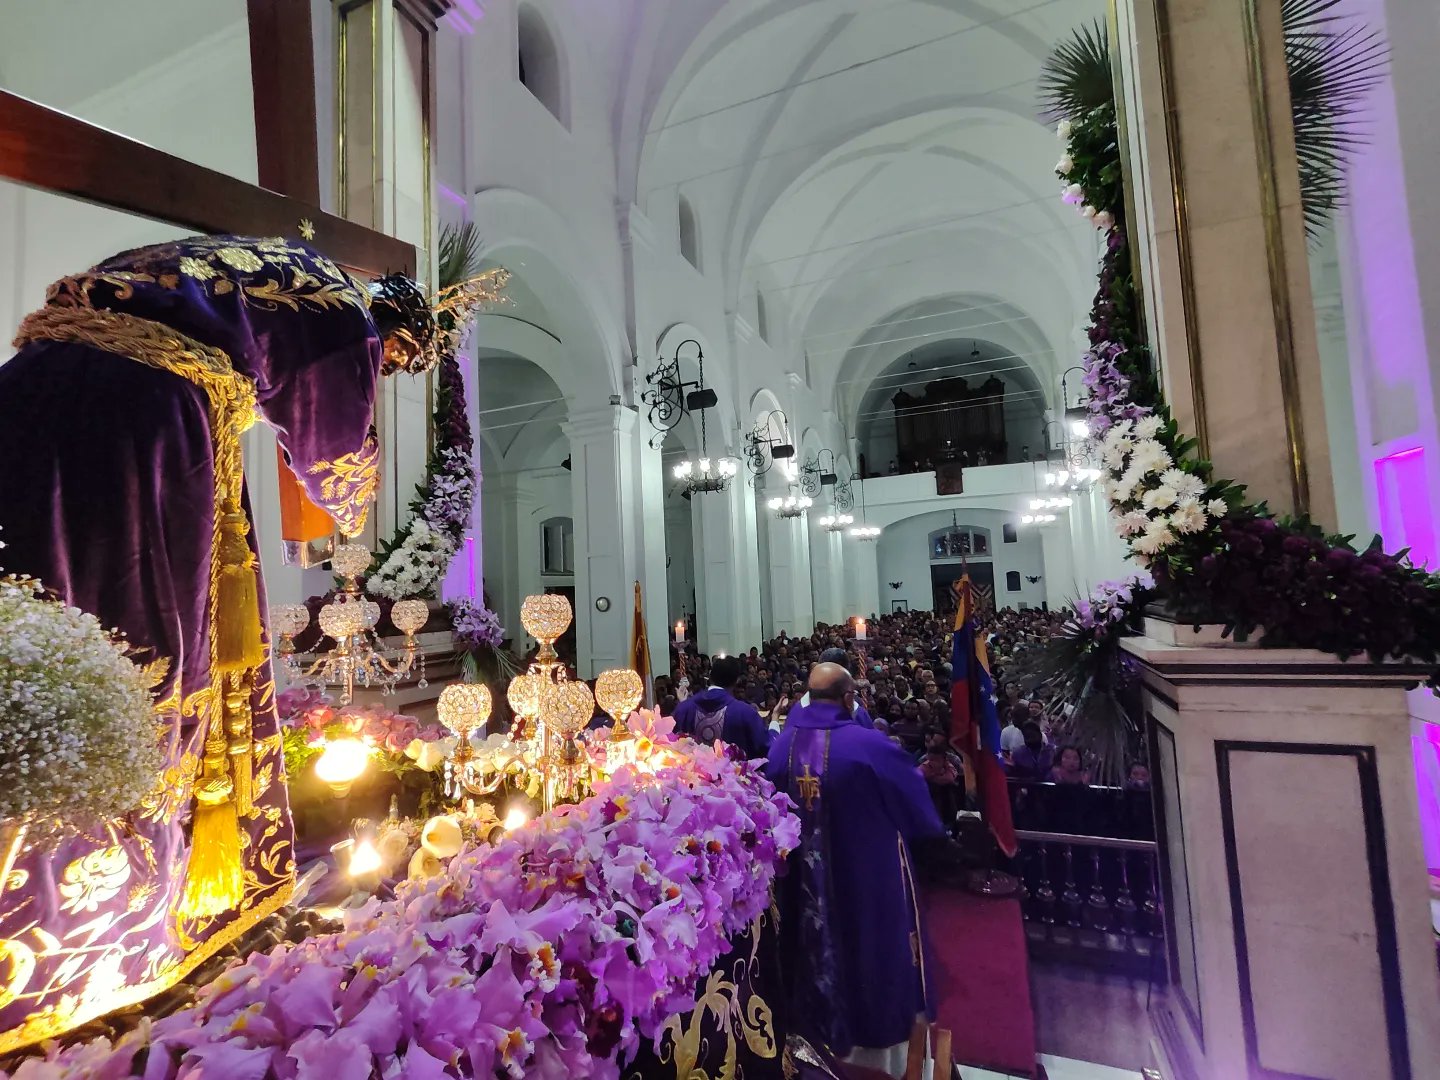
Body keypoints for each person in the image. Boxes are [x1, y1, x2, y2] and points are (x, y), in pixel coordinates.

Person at [0, 235, 441, 1040]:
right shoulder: (347, 311)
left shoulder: (256, 259)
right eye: (396, 361)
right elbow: (335, 441)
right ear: (398, 330)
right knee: (150, 654)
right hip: (139, 423)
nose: (384, 371)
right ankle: (108, 934)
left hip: (29, 396)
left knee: (40, 611)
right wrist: (352, 505)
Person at [765, 663, 947, 1068]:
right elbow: (921, 817)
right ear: (849, 698)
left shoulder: (781, 746)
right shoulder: (873, 746)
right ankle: (883, 1057)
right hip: (869, 879)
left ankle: (813, 1050)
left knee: (812, 946)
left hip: (802, 882)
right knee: (871, 948)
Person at [672, 654, 771, 757]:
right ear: (737, 680)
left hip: (691, 772)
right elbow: (766, 747)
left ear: (710, 676)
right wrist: (774, 722)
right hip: (735, 773)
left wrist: (683, 705)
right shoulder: (745, 712)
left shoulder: (684, 709)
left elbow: (671, 745)